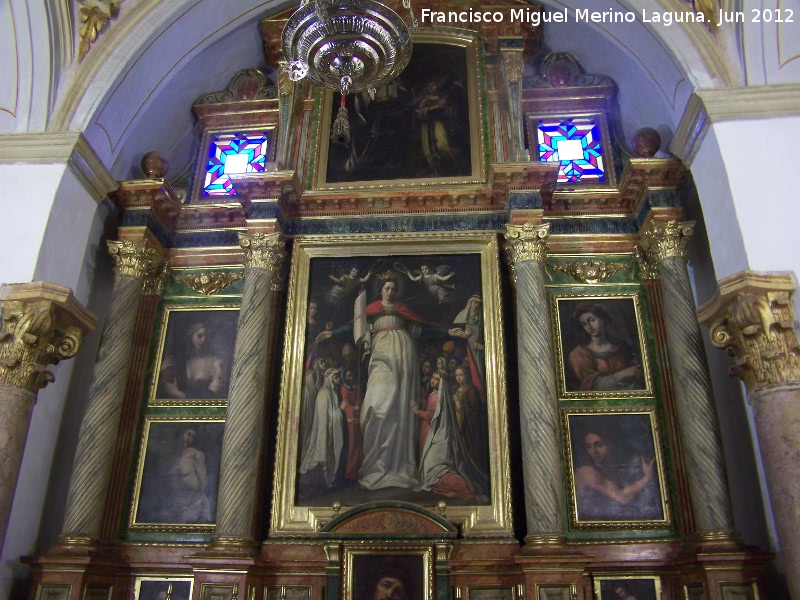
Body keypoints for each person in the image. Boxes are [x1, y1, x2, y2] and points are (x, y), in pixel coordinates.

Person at [414, 370, 486, 500]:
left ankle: (463, 488)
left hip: (438, 433)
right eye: (433, 377)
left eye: (436, 379)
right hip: (432, 432)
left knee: (434, 469)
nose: (433, 380)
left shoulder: (439, 397)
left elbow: (432, 416)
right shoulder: (435, 395)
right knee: (429, 465)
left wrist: (417, 411)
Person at [574, 427, 659, 521]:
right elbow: (622, 497)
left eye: (599, 445)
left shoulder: (612, 472)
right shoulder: (586, 472)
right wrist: (647, 478)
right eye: (589, 446)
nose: (594, 451)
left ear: (610, 445)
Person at [567, 303, 644, 391]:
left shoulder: (622, 348)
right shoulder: (578, 355)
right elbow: (592, 387)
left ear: (603, 319)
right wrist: (621, 375)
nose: (589, 327)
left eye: (592, 320)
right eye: (584, 324)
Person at [299, 368, 346, 488]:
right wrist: (340, 410)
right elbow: (324, 419)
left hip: (331, 432)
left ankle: (329, 481)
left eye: (338, 377)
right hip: (326, 433)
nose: (338, 379)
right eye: (336, 377)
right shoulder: (325, 393)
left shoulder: (332, 392)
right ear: (330, 378)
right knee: (325, 459)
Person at [159, 321, 225, 399]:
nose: (203, 340)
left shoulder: (215, 362)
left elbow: (213, 395)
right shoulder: (181, 361)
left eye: (206, 336)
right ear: (190, 336)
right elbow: (169, 388)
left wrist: (181, 395)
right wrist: (161, 371)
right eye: (199, 336)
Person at [160, 426, 212, 523]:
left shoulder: (196, 455)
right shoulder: (168, 458)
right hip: (175, 507)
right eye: (188, 434)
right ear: (180, 433)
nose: (190, 439)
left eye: (192, 437)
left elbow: (203, 479)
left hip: (194, 504)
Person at [450, 366, 489, 478]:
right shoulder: (454, 389)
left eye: (461, 375)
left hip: (467, 428)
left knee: (468, 450)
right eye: (457, 375)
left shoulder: (471, 391)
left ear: (466, 375)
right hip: (456, 424)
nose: (459, 378)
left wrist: (460, 406)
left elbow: (475, 412)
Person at [452, 295, 484, 376]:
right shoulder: (462, 315)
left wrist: (482, 346)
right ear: (470, 302)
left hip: (478, 352)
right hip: (464, 350)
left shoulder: (482, 318)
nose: (476, 305)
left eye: (478, 303)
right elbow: (454, 335)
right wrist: (463, 334)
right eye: (475, 302)